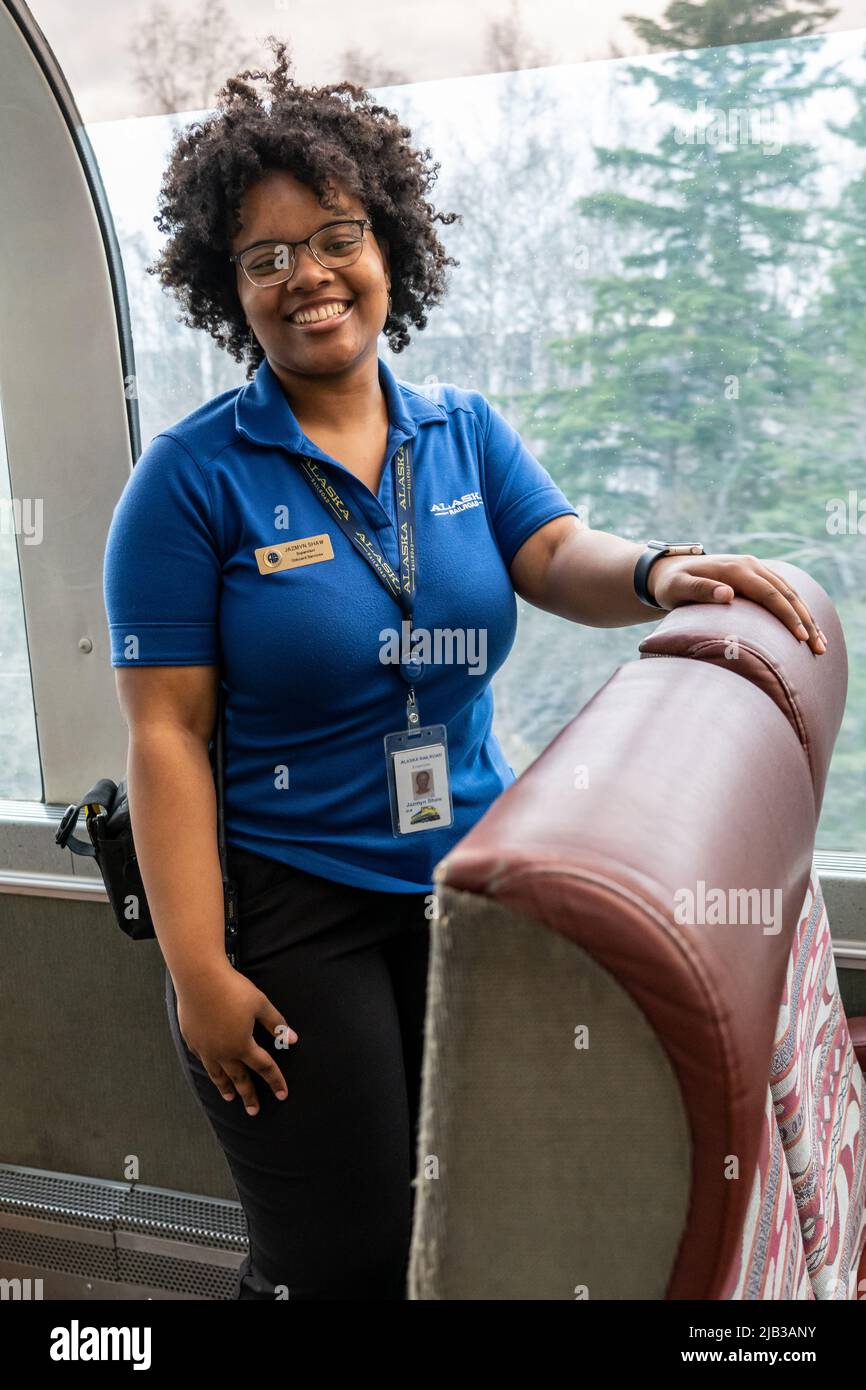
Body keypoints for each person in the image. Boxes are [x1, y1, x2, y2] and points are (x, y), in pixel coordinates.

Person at [102, 39, 827, 1302]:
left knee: (466, 1224)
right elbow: (165, 737)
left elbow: (552, 552)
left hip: (461, 887)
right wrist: (199, 972)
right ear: (231, 291)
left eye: (333, 236)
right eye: (264, 258)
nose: (307, 278)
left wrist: (660, 570)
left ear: (385, 245)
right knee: (339, 1258)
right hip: (291, 907)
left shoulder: (461, 429)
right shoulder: (190, 478)